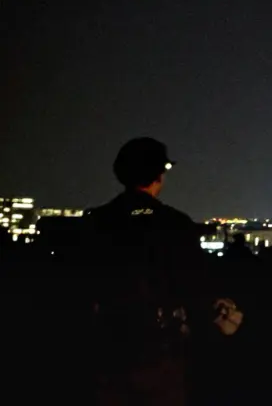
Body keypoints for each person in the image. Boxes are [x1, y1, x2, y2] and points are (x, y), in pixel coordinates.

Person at [84, 137, 207, 406]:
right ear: (159, 175)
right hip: (161, 350)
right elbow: (194, 283)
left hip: (108, 346)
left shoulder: (96, 221)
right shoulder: (176, 224)